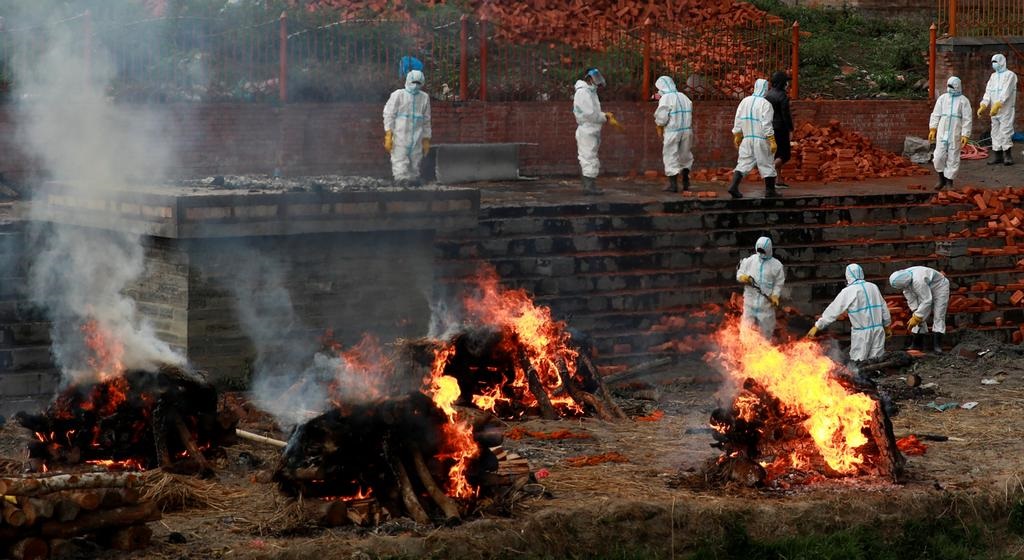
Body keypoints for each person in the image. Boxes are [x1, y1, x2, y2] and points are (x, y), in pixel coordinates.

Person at [806, 264, 891, 362]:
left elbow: (833, 310)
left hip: (861, 334)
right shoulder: (873, 287)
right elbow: (883, 307)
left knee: (858, 361)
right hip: (878, 331)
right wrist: (887, 325)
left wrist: (817, 326)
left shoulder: (848, 291)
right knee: (876, 360)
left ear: (848, 276)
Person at [727, 79, 778, 199]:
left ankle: (734, 186)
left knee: (743, 163)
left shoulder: (745, 101)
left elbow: (738, 119)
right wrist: (771, 139)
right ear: (765, 88)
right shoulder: (766, 104)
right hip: (761, 139)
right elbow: (766, 124)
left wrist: (737, 135)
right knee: (767, 164)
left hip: (747, 139)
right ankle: (770, 191)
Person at [574, 68, 619, 195]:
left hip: (591, 128)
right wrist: (605, 117)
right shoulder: (583, 93)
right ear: (588, 79)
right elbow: (590, 114)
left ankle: (590, 186)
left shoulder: (590, 92)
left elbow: (593, 113)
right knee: (588, 157)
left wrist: (604, 116)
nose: (597, 82)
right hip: (587, 129)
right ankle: (589, 187)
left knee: (590, 157)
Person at [383, 70, 432, 187]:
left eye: (418, 83)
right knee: (400, 161)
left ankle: (414, 187)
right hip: (401, 136)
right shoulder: (398, 95)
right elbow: (389, 114)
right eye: (413, 82)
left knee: (416, 163)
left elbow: (426, 120)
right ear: (408, 81)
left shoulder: (424, 97)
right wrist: (388, 134)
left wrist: (426, 139)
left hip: (417, 137)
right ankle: (401, 183)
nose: (415, 85)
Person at [888, 266, 950, 353]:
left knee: (939, 314)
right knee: (919, 314)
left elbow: (927, 300)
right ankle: (917, 344)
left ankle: (937, 345)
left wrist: (917, 316)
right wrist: (915, 312)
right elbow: (911, 299)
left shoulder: (918, 281)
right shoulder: (903, 279)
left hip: (939, 287)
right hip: (926, 287)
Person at [736, 237, 785, 340]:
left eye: (763, 251)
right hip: (749, 305)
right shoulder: (750, 261)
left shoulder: (777, 266)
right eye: (759, 250)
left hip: (766, 307)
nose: (761, 253)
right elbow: (739, 274)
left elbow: (779, 283)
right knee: (746, 333)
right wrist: (743, 277)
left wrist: (775, 295)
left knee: (766, 336)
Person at [929, 76, 972, 191]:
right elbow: (936, 114)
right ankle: (941, 178)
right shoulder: (943, 98)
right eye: (948, 85)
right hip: (943, 129)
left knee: (953, 156)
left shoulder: (964, 101)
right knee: (938, 156)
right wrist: (933, 128)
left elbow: (967, 119)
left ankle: (949, 182)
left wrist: (965, 134)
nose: (950, 88)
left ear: (957, 86)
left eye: (952, 86)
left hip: (955, 131)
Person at [653, 75, 694, 193]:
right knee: (685, 155)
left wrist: (659, 124)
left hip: (672, 131)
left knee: (670, 155)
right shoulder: (683, 97)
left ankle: (673, 185)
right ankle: (686, 181)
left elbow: (662, 117)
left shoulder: (665, 98)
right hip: (687, 130)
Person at [978, 53, 1018, 166]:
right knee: (995, 132)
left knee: (1005, 131)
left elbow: (1007, 91)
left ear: (1002, 62)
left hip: (1006, 109)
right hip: (994, 110)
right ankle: (997, 155)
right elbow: (988, 91)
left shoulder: (1010, 75)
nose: (994, 64)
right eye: (992, 62)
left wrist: (998, 104)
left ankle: (1008, 156)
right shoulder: (993, 76)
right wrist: (984, 104)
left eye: (995, 62)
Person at [764, 71, 794, 189]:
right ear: (782, 83)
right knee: (785, 155)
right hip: (780, 129)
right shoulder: (782, 96)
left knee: (776, 154)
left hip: (770, 128)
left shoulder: (768, 95)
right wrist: (790, 129)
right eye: (786, 82)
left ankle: (778, 180)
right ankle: (768, 172)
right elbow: (785, 115)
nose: (788, 84)